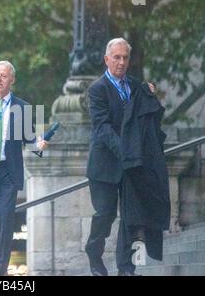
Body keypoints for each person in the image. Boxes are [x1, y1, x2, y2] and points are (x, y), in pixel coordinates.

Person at [0, 61, 48, 276]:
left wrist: (38, 145)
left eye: (4, 75)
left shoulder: (22, 107)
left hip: (7, 172)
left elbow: (30, 138)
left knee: (5, 219)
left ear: (12, 80)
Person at [85, 37, 157, 276]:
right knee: (105, 215)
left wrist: (151, 96)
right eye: (116, 57)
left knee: (131, 219)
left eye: (125, 57)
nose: (121, 62)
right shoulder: (97, 89)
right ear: (107, 59)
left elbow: (147, 119)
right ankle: (94, 254)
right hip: (105, 165)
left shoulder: (136, 86)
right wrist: (126, 151)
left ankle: (126, 269)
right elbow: (102, 127)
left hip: (132, 166)